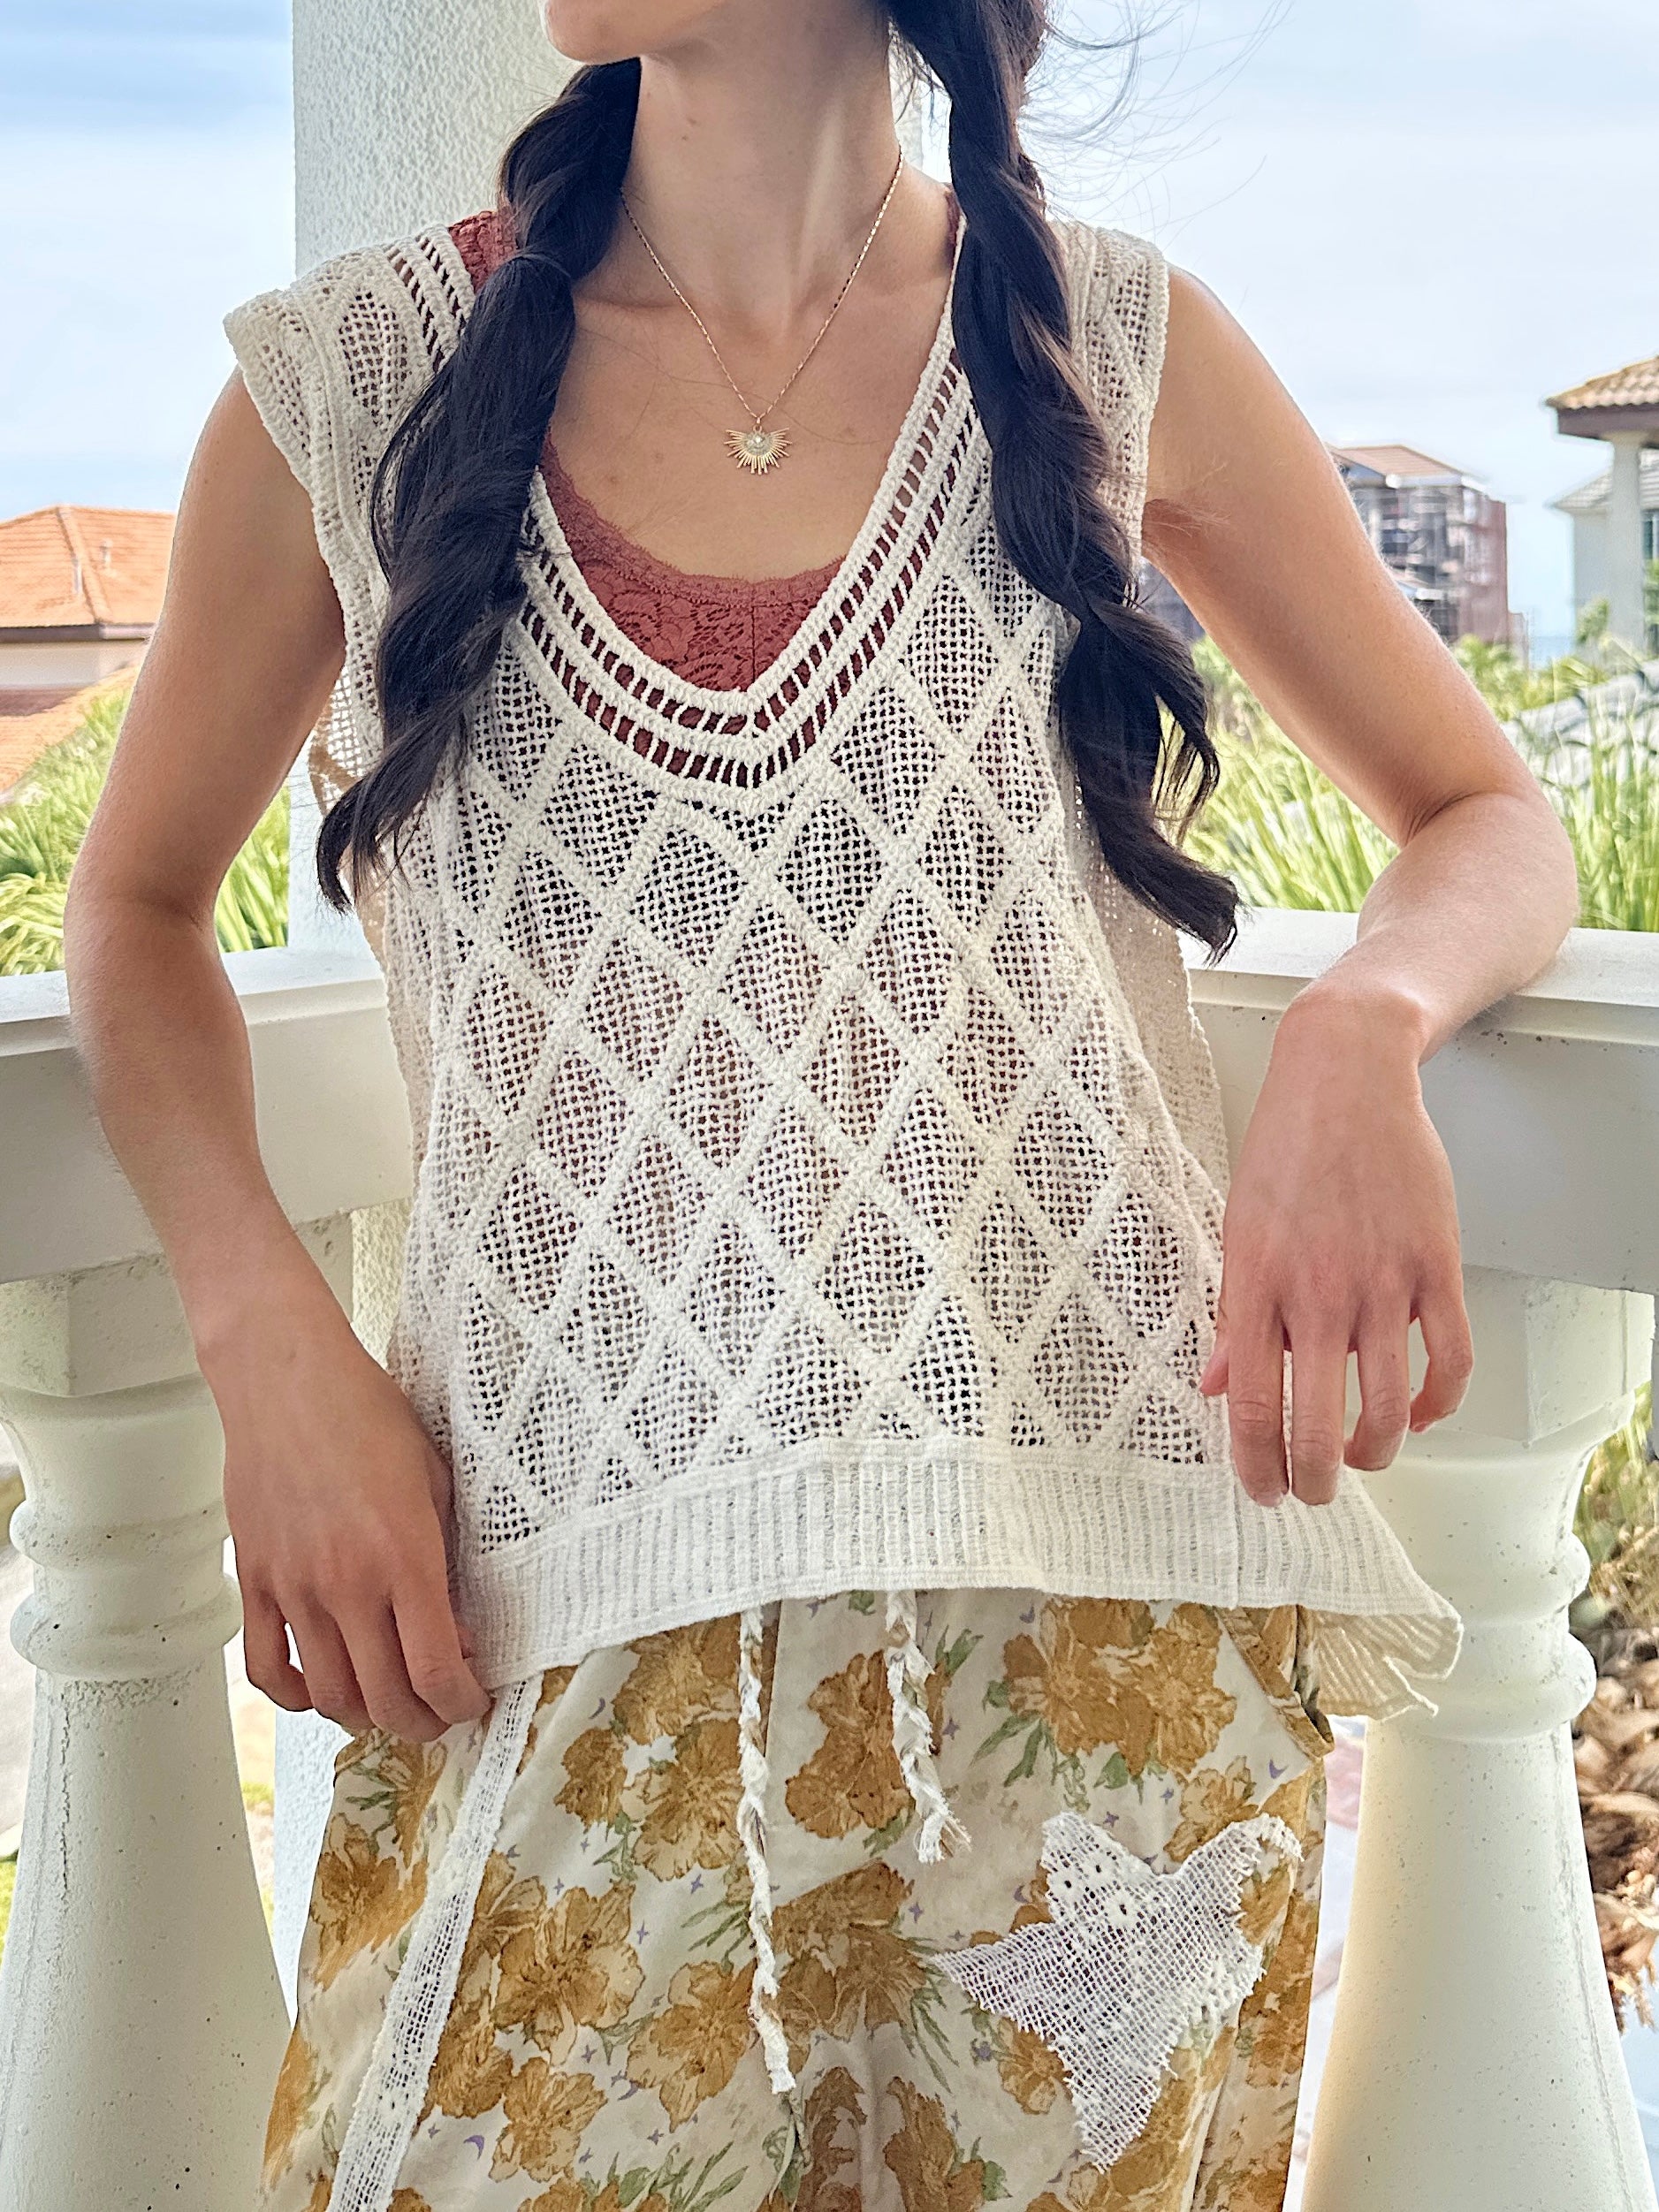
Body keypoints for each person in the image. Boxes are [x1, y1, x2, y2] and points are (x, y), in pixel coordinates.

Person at [63, 3, 1578, 2208]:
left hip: (1101, 1687)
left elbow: (1484, 816)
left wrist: (1363, 1029)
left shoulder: (1107, 346)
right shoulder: (362, 377)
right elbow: (133, 911)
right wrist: (263, 1331)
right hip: (550, 1635)